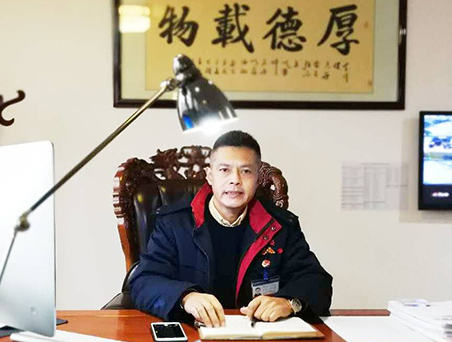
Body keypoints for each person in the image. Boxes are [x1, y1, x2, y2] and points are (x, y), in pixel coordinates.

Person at [129, 130, 332, 327]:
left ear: (257, 178)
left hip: (258, 335)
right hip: (194, 335)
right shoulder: (174, 223)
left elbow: (318, 282)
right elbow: (143, 282)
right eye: (224, 170)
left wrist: (289, 302)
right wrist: (185, 297)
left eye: (246, 171)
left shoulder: (280, 226)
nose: (235, 180)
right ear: (210, 176)